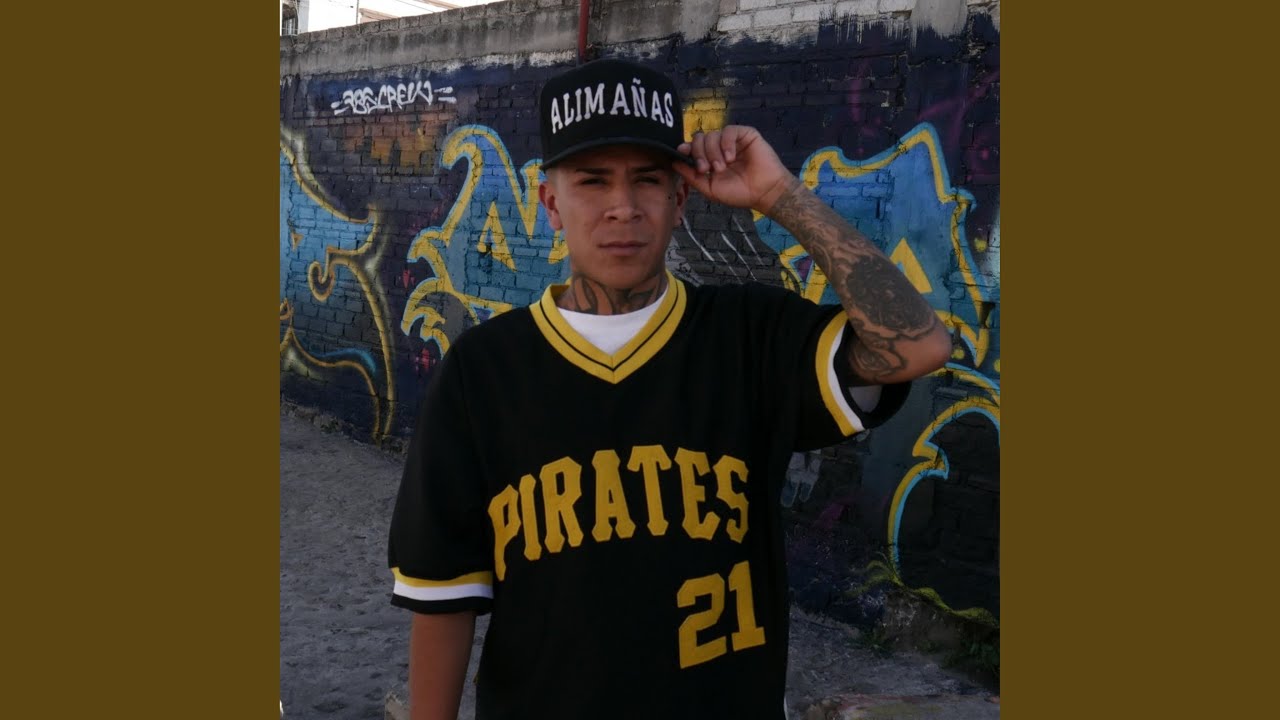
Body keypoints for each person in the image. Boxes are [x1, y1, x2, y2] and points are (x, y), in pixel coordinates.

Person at [387, 57, 951, 720]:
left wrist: (779, 195)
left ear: (680, 200)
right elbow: (444, 596)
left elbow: (917, 345)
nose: (623, 207)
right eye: (592, 180)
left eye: (648, 180)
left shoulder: (750, 335)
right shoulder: (482, 370)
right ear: (551, 204)